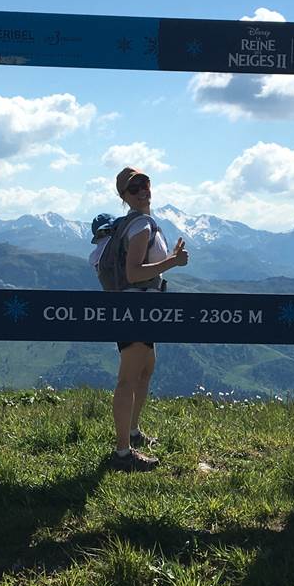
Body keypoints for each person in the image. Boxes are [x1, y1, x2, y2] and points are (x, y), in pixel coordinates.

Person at [109, 166, 188, 471]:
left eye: (145, 184)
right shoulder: (141, 227)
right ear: (124, 196)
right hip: (135, 308)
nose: (142, 190)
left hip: (142, 306)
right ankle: (122, 453)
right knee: (129, 377)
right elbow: (133, 273)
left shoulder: (138, 223)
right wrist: (173, 262)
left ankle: (132, 432)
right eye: (134, 188)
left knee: (145, 368)